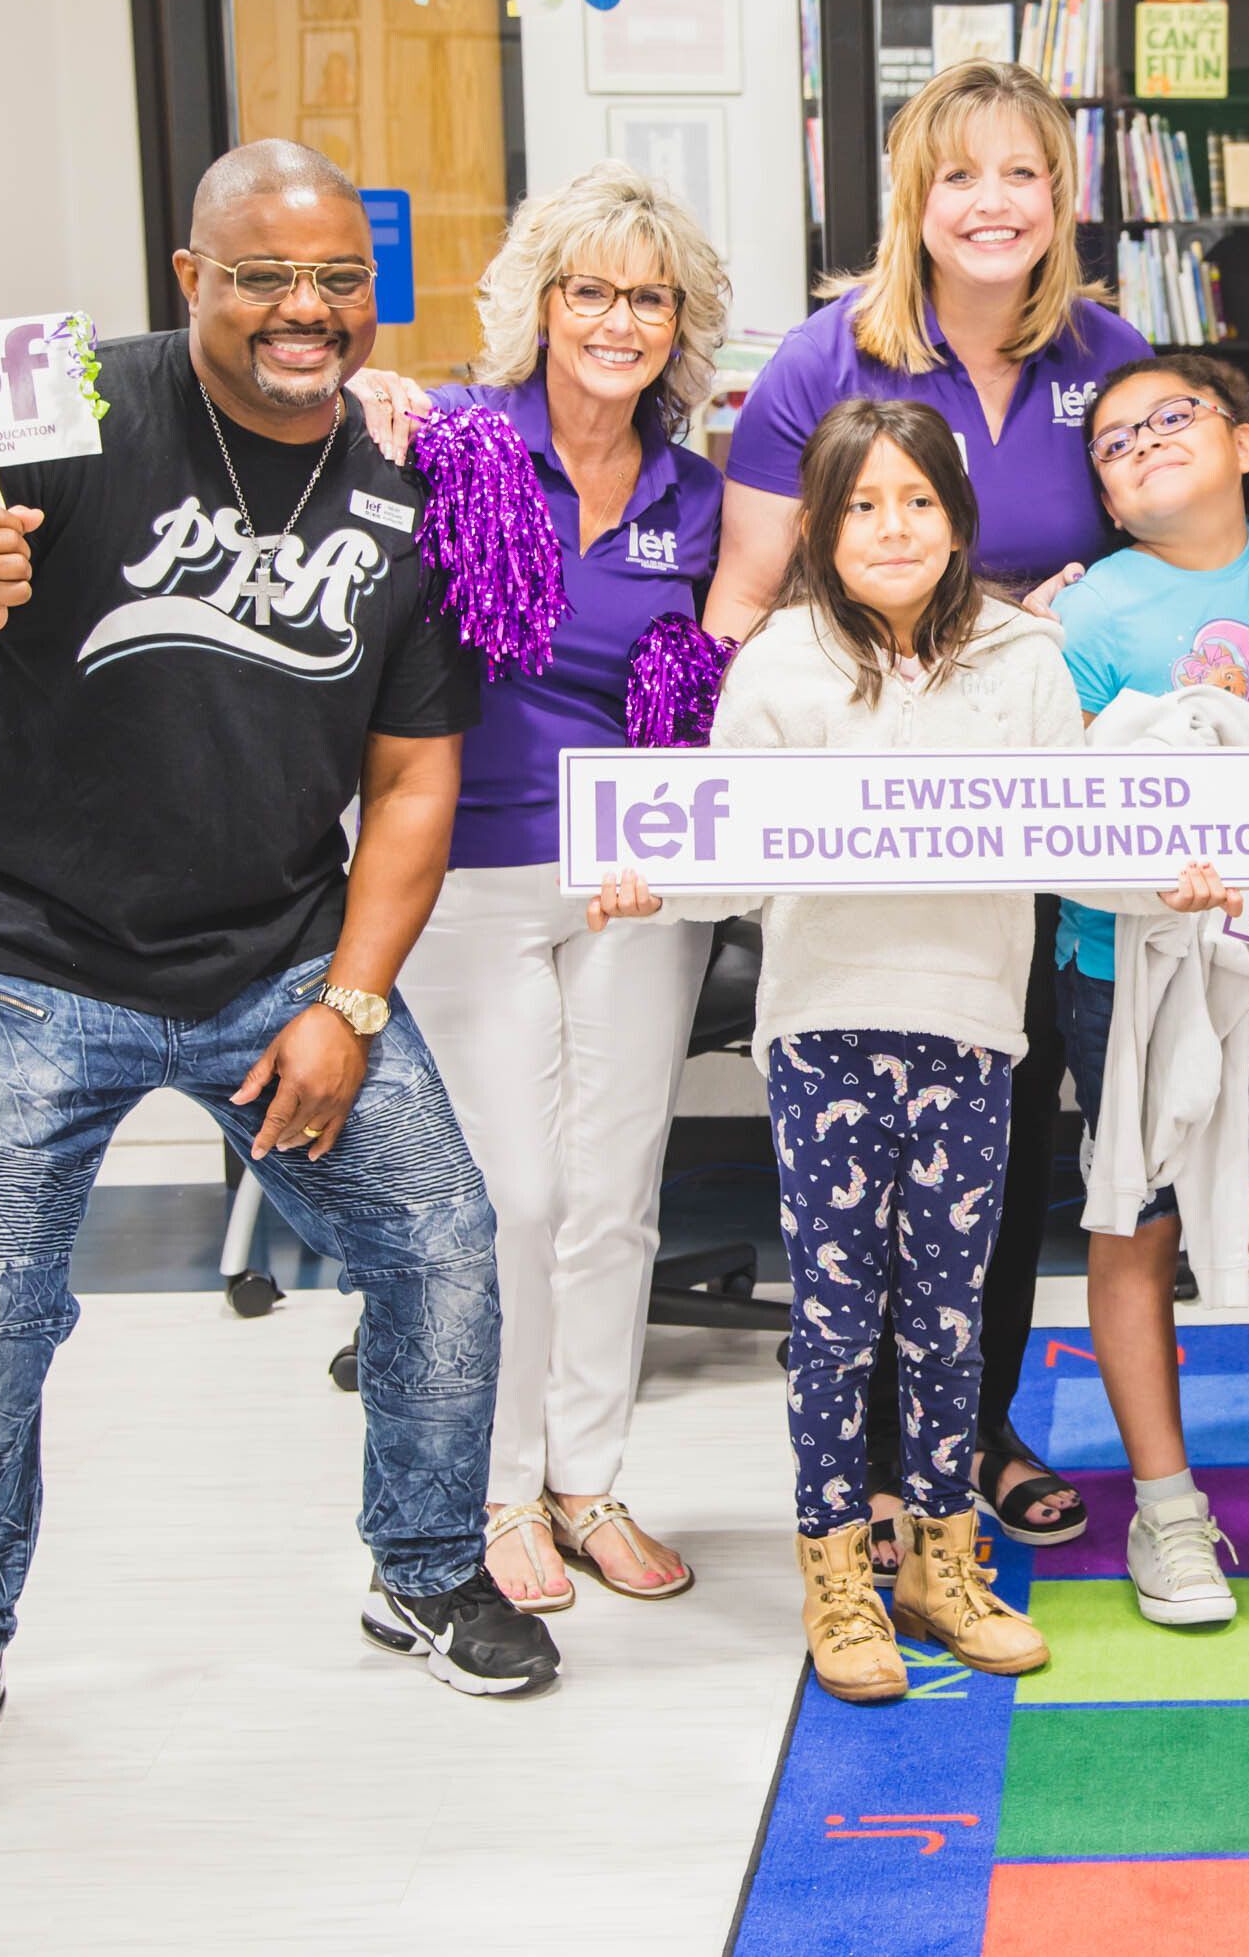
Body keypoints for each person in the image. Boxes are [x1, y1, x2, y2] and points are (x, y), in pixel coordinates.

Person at [0, 140, 555, 1806]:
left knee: (446, 1237)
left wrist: (351, 1000)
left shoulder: (410, 476)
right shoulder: (53, 401)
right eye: (261, 277)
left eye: (336, 284)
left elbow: (414, 779)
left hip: (275, 960)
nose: (303, 312)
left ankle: (428, 1566)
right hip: (27, 954)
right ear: (190, 279)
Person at [591, 399, 1221, 1701]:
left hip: (973, 1034)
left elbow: (1083, 847)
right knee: (834, 1326)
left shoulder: (1022, 659)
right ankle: (839, 1575)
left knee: (945, 1319)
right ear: (819, 526)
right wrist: (651, 876)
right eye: (863, 504)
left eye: (918, 502)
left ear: (956, 519)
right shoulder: (777, 664)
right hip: (823, 1032)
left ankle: (940, 1561)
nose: (892, 527)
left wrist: (1176, 877)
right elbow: (725, 866)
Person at [710, 59, 1149, 1557]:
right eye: (961, 175)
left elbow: (1164, 545)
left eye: (1022, 174)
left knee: (1005, 1131)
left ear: (1062, 197)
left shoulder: (1108, 348)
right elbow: (745, 596)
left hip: (1025, 806)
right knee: (857, 1185)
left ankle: (977, 1430)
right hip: (854, 801)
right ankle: (879, 1469)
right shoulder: (824, 358)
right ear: (915, 195)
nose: (992, 204)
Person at [359, 163, 731, 1612]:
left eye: (648, 296)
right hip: (469, 870)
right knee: (511, 1192)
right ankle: (496, 1487)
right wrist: (368, 403)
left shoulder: (696, 498)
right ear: (539, 302)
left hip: (637, 879)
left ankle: (589, 1478)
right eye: (591, 289)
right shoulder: (445, 442)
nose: (618, 319)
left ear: (679, 323)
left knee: (614, 1190)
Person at [1053, 354, 1249, 1654]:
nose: (1140, 445)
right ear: (1110, 506)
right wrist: (1147, 867)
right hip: (1129, 966)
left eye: (1170, 418)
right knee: (1137, 1229)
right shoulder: (1089, 617)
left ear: (1243, 443)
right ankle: (1169, 1508)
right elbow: (1059, 809)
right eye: (1113, 444)